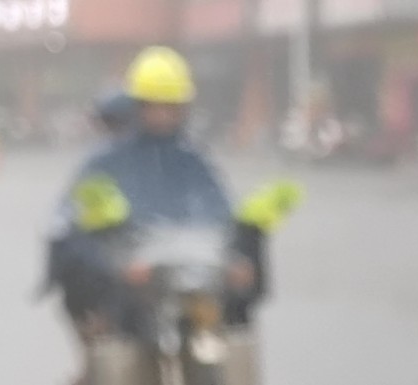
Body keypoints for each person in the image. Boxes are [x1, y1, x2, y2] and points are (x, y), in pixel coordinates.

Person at [40, 46, 302, 384]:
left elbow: (219, 215)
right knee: (114, 361)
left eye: (171, 106)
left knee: (231, 352)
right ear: (136, 106)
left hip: (185, 288)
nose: (163, 115)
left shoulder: (194, 161)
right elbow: (74, 229)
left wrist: (238, 259)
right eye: (153, 106)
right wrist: (115, 266)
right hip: (120, 299)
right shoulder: (105, 162)